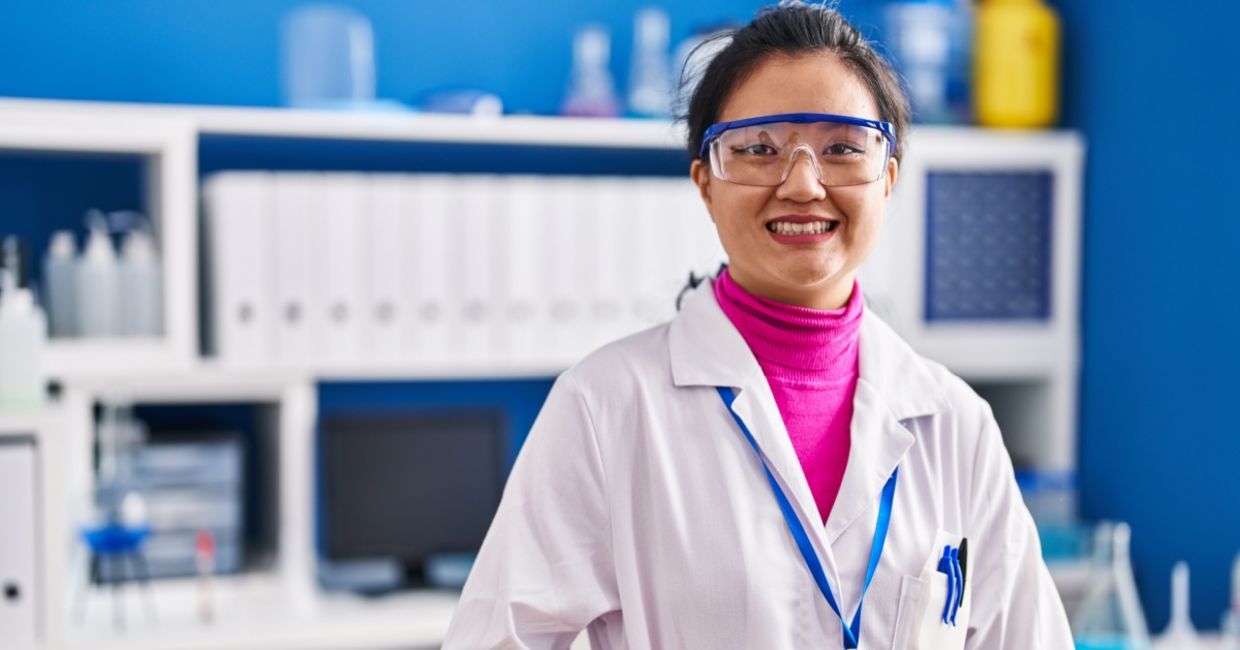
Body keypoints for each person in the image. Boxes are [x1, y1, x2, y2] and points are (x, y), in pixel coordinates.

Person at [443, 2, 1073, 648]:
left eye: (841, 148)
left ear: (887, 178)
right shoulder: (604, 407)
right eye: (757, 149)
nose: (802, 184)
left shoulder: (956, 425)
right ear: (705, 184)